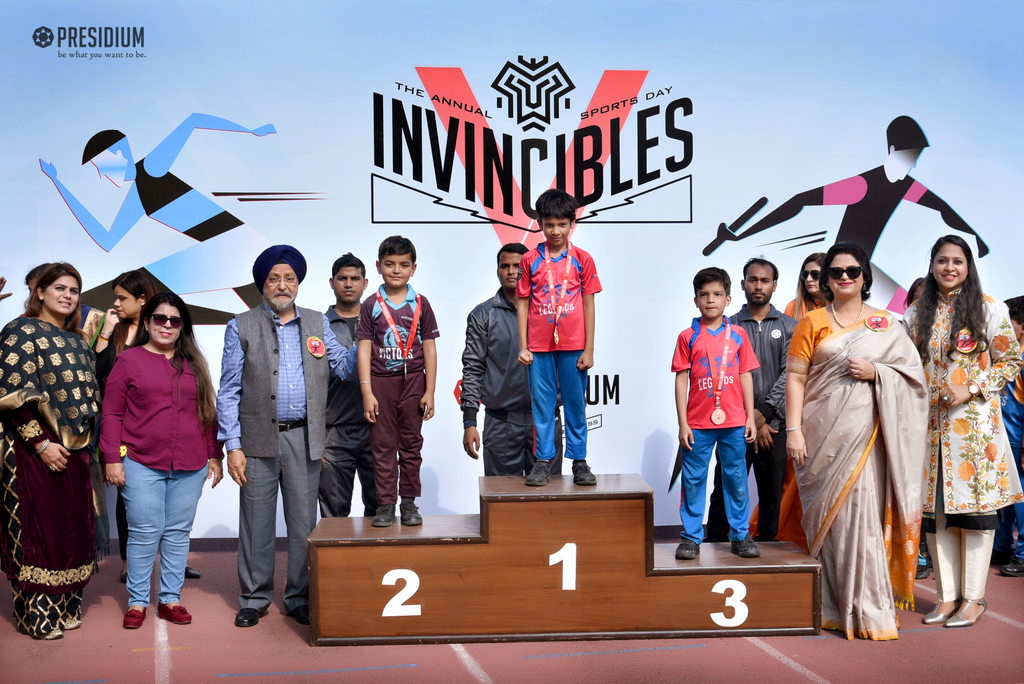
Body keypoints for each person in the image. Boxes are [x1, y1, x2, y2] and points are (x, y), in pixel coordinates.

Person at [785, 242, 929, 640]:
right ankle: (831, 605)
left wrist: (877, 372)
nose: (844, 277)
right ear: (826, 279)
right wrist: (793, 430)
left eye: (852, 271)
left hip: (866, 440)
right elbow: (795, 379)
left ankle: (869, 608)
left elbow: (915, 380)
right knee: (826, 523)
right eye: (836, 272)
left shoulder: (887, 324)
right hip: (819, 437)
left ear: (865, 276)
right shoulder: (812, 323)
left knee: (863, 520)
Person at [217, 244, 357, 628]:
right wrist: (232, 446)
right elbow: (228, 391)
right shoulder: (240, 326)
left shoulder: (317, 323)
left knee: (303, 525)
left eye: (289, 278)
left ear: (299, 283)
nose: (282, 285)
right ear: (262, 284)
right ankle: (254, 598)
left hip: (304, 439)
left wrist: (369, 339)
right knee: (256, 524)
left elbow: (343, 368)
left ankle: (299, 597)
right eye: (274, 279)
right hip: (256, 439)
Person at [40, 115, 277, 321]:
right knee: (266, 320)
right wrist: (57, 182)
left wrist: (250, 130)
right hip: (235, 247)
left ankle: (223, 320)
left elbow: (193, 120)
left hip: (236, 246)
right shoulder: (138, 194)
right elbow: (106, 239)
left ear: (119, 152)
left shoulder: (152, 167)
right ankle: (230, 321)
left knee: (128, 292)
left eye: (102, 165)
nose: (101, 173)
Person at [904, 236, 1023, 627]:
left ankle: (973, 599)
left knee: (974, 516)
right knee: (938, 517)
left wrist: (971, 387)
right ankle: (946, 598)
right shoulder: (916, 313)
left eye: (957, 261)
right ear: (932, 265)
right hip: (929, 434)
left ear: (968, 266)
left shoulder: (988, 309)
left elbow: (1010, 361)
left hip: (974, 434)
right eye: (942, 260)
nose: (949, 268)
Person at [101, 293, 223, 629]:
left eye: (174, 320)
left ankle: (170, 599)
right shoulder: (128, 360)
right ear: (147, 321)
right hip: (139, 461)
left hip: (191, 464)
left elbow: (207, 412)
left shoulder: (194, 362)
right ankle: (137, 602)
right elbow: (112, 414)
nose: (166, 325)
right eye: (160, 318)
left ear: (182, 326)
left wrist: (215, 454)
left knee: (178, 533)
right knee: (144, 532)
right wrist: (112, 458)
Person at [0, 263, 100, 640]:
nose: (67, 295)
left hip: (76, 451)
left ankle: (67, 607)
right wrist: (41, 443)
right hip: (33, 452)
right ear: (39, 292)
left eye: (74, 290)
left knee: (72, 532)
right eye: (59, 288)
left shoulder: (78, 341)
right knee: (39, 532)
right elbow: (11, 395)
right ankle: (37, 616)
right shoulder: (20, 331)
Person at [517, 189, 602, 487]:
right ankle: (542, 462)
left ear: (572, 224)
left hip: (574, 344)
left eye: (562, 224)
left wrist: (589, 349)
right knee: (542, 404)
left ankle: (579, 460)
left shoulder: (582, 259)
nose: (555, 231)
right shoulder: (529, 259)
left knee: (575, 403)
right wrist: (523, 345)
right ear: (540, 223)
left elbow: (589, 304)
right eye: (549, 224)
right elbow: (523, 303)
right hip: (539, 345)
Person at [706, 258, 795, 543]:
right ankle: (714, 543)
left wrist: (763, 416)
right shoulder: (727, 326)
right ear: (743, 284)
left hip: (774, 426)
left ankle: (768, 548)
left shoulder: (790, 326)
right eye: (753, 280)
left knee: (771, 493)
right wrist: (749, 419)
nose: (759, 285)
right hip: (734, 425)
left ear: (774, 286)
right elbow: (724, 377)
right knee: (725, 488)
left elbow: (789, 374)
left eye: (765, 281)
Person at [672, 267, 759, 560]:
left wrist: (749, 417)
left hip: (734, 422)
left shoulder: (739, 335)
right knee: (693, 480)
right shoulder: (687, 336)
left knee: (736, 480)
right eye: (704, 295)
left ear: (728, 299)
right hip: (697, 424)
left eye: (717, 294)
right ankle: (690, 538)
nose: (711, 300)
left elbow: (745, 375)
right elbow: (681, 380)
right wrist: (683, 423)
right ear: (696, 300)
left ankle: (740, 535)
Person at [358, 236, 440, 527]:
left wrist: (430, 390)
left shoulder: (420, 303)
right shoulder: (371, 304)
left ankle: (408, 502)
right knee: (382, 447)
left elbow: (429, 348)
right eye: (390, 264)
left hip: (414, 381)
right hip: (380, 383)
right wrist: (366, 391)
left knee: (411, 446)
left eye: (403, 265)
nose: (396, 270)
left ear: (413, 269)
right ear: (378, 266)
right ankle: (385, 504)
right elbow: (364, 349)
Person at [462, 243, 563, 476]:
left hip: (545, 421)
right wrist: (469, 422)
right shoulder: (482, 315)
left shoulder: (552, 311)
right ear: (497, 270)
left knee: (549, 497)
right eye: (504, 266)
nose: (511, 271)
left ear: (529, 269)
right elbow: (473, 368)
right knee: (502, 498)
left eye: (517, 266)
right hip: (501, 425)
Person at [319, 254, 378, 518]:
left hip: (377, 428)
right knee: (334, 515)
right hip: (334, 433)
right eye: (342, 278)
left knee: (381, 511)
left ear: (365, 283)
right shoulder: (317, 326)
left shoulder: (381, 322)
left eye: (355, 278)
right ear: (332, 282)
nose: (348, 283)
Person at [993, 296, 1024, 578]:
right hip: (1003, 439)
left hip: (1018, 440)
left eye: (1008, 324)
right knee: (1004, 496)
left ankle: (1022, 554)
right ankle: (1001, 547)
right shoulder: (1005, 356)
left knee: (1021, 500)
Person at [784, 253, 826, 321]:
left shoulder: (841, 305)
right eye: (805, 274)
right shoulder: (793, 307)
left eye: (815, 274)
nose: (808, 279)